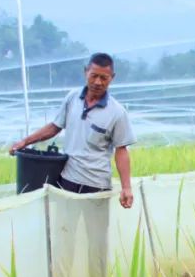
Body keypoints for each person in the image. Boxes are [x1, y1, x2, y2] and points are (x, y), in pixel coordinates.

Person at [10, 52, 135, 209]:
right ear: (85, 72)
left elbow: (121, 150)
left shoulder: (117, 112)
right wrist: (25, 141)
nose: (98, 82)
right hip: (67, 179)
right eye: (94, 76)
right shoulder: (72, 98)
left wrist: (127, 188)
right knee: (64, 229)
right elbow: (55, 126)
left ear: (112, 77)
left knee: (95, 233)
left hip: (97, 185)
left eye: (104, 78)